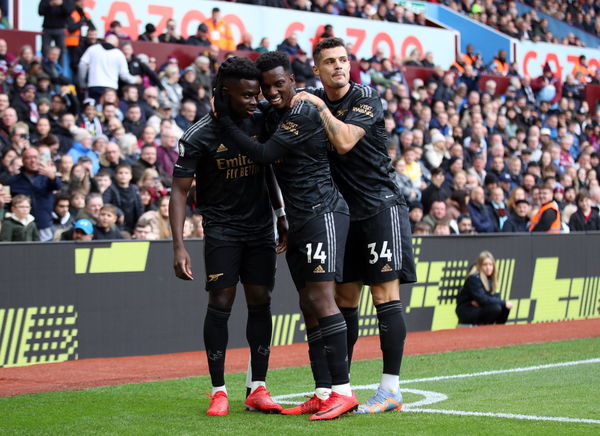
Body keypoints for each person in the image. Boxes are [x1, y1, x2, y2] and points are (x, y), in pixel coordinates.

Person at [214, 52, 357, 420]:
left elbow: (263, 154)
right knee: (308, 303)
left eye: (280, 84)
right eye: (266, 88)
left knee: (323, 300)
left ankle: (343, 391)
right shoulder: (275, 114)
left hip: (323, 212)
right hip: (298, 221)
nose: (273, 91)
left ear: (293, 80)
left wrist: (226, 124)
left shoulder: (303, 111)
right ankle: (323, 391)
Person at [292, 37, 416, 414]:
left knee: (384, 296)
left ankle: (390, 389)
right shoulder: (309, 99)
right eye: (329, 62)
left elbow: (344, 141)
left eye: (343, 60)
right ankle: (336, 390)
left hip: (380, 207)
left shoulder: (366, 97)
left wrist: (317, 106)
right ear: (317, 69)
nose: (338, 67)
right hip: (342, 214)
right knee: (344, 301)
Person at [169, 57, 287, 417]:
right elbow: (178, 192)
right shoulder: (198, 134)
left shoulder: (260, 121)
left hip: (260, 227)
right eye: (248, 95)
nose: (256, 100)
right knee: (220, 302)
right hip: (221, 230)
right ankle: (218, 390)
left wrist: (280, 214)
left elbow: (267, 169)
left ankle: (258, 387)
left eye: (257, 94)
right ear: (225, 93)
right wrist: (179, 244)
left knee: (261, 301)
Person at [9, 147, 61, 241]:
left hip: (43, 223)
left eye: (35, 157)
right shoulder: (14, 180)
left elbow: (58, 186)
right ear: (23, 161)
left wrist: (52, 177)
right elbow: (9, 202)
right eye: (29, 158)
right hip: (22, 226)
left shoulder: (46, 176)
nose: (33, 161)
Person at [78, 34, 141, 102]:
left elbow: (82, 65)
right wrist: (135, 79)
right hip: (111, 88)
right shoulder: (119, 54)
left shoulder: (93, 49)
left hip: (94, 85)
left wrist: (82, 83)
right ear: (116, 44)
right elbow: (124, 75)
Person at [456, 251, 513, 325]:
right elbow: (482, 299)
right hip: (467, 310)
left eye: (490, 264)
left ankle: (498, 330)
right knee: (496, 308)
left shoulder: (492, 278)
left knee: (505, 308)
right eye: (485, 265)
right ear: (480, 266)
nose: (488, 267)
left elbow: (496, 297)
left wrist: (487, 302)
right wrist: (501, 302)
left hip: (480, 307)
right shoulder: (474, 278)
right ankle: (484, 330)